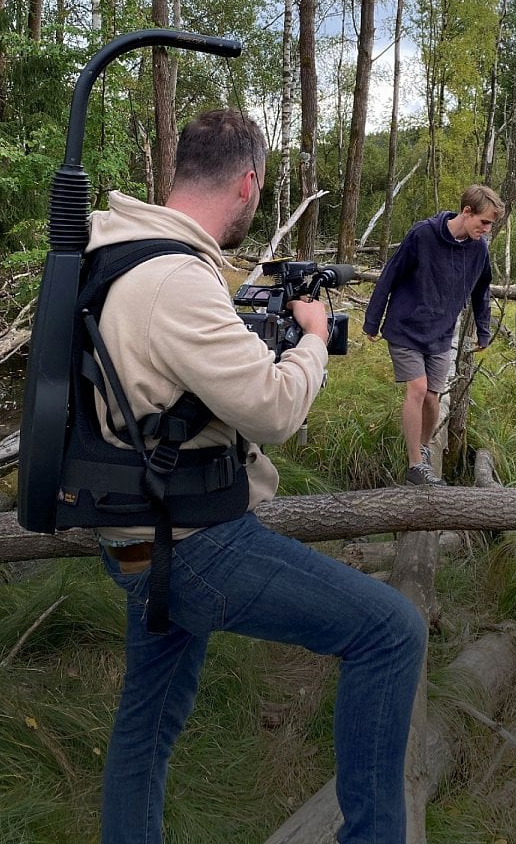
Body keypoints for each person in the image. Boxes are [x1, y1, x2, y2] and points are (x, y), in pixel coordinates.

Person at [89, 108, 427, 844]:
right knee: (391, 631)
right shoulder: (176, 278)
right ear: (248, 183)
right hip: (194, 544)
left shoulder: (115, 248)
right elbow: (273, 410)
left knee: (145, 731)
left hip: (140, 536)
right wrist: (309, 342)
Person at [363, 184, 504, 486]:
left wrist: (483, 328)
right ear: (467, 212)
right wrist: (372, 320)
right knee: (417, 388)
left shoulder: (478, 248)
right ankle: (415, 465)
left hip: (441, 333)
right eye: (484, 222)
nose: (487, 230)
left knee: (432, 398)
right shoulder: (423, 234)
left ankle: (423, 450)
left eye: (490, 225)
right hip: (406, 326)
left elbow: (481, 290)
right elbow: (391, 274)